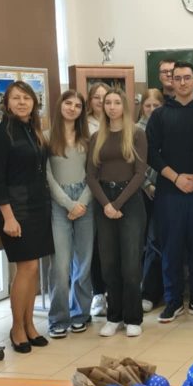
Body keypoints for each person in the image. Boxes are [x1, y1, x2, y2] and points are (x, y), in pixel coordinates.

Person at [146, 61, 193, 322]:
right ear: (171, 82)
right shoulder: (160, 115)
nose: (183, 82)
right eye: (178, 78)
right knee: (171, 247)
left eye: (187, 77)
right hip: (170, 191)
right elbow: (151, 153)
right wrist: (176, 178)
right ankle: (173, 300)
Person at [0, 81, 54, 353]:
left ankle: (29, 325)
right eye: (16, 98)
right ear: (7, 103)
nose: (22, 102)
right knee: (25, 268)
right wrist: (8, 217)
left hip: (38, 206)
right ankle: (16, 328)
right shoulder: (0, 134)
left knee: (33, 268)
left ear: (34, 102)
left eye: (26, 98)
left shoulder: (33, 130)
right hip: (15, 209)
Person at [86, 89, 148, 337]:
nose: (111, 107)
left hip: (129, 201)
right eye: (107, 103)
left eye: (116, 102)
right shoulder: (96, 137)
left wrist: (118, 204)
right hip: (104, 201)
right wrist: (106, 204)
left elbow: (140, 174)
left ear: (124, 106)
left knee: (130, 264)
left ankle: (133, 318)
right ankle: (114, 317)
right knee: (109, 263)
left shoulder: (137, 133)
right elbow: (91, 176)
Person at [45, 90, 94, 339]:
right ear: (60, 105)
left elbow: (94, 173)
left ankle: (81, 314)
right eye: (68, 103)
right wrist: (67, 204)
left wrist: (81, 203)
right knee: (61, 264)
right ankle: (58, 318)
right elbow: (47, 176)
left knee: (83, 262)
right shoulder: (46, 137)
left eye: (78, 105)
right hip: (58, 203)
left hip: (85, 201)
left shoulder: (88, 139)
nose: (72, 108)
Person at [136, 88, 164, 314]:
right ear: (142, 108)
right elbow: (134, 162)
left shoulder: (166, 126)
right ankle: (144, 291)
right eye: (148, 106)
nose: (152, 109)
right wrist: (147, 185)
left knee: (158, 241)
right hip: (141, 192)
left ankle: (155, 291)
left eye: (156, 105)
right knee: (144, 242)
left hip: (165, 190)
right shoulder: (136, 130)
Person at [85, 82, 112, 318]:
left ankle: (114, 291)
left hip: (114, 191)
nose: (102, 102)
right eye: (97, 97)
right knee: (94, 244)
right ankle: (98, 293)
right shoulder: (84, 125)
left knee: (111, 243)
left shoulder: (120, 124)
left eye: (106, 97)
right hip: (89, 191)